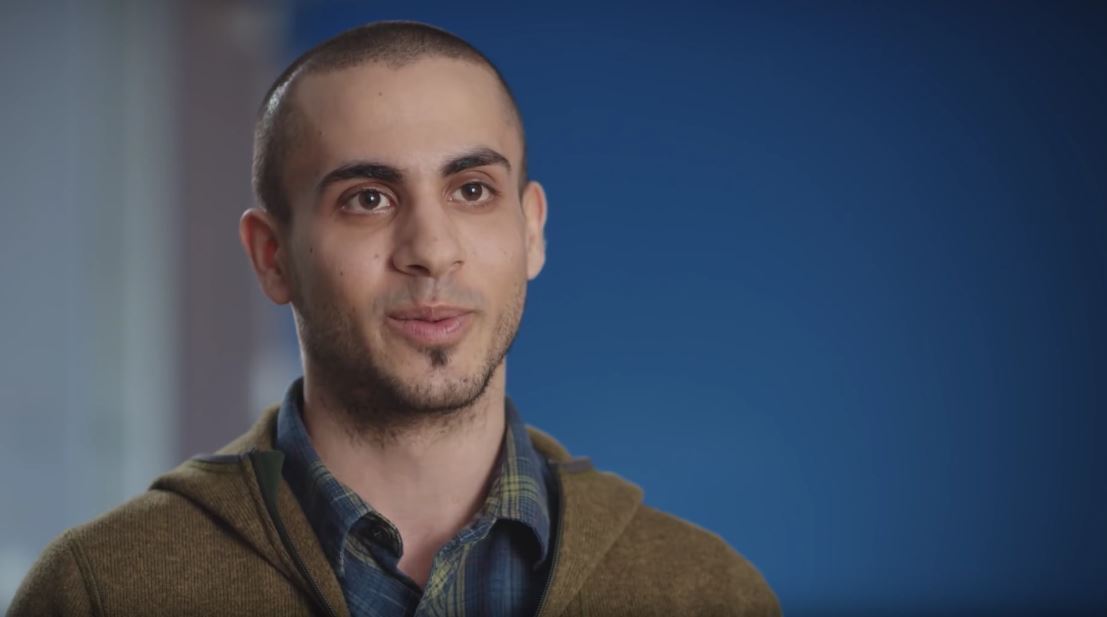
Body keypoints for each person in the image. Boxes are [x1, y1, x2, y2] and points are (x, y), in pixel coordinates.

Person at [11, 21, 780, 616]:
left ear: (532, 230)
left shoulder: (703, 591)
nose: (431, 249)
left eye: (472, 190)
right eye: (367, 198)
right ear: (271, 256)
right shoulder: (101, 591)